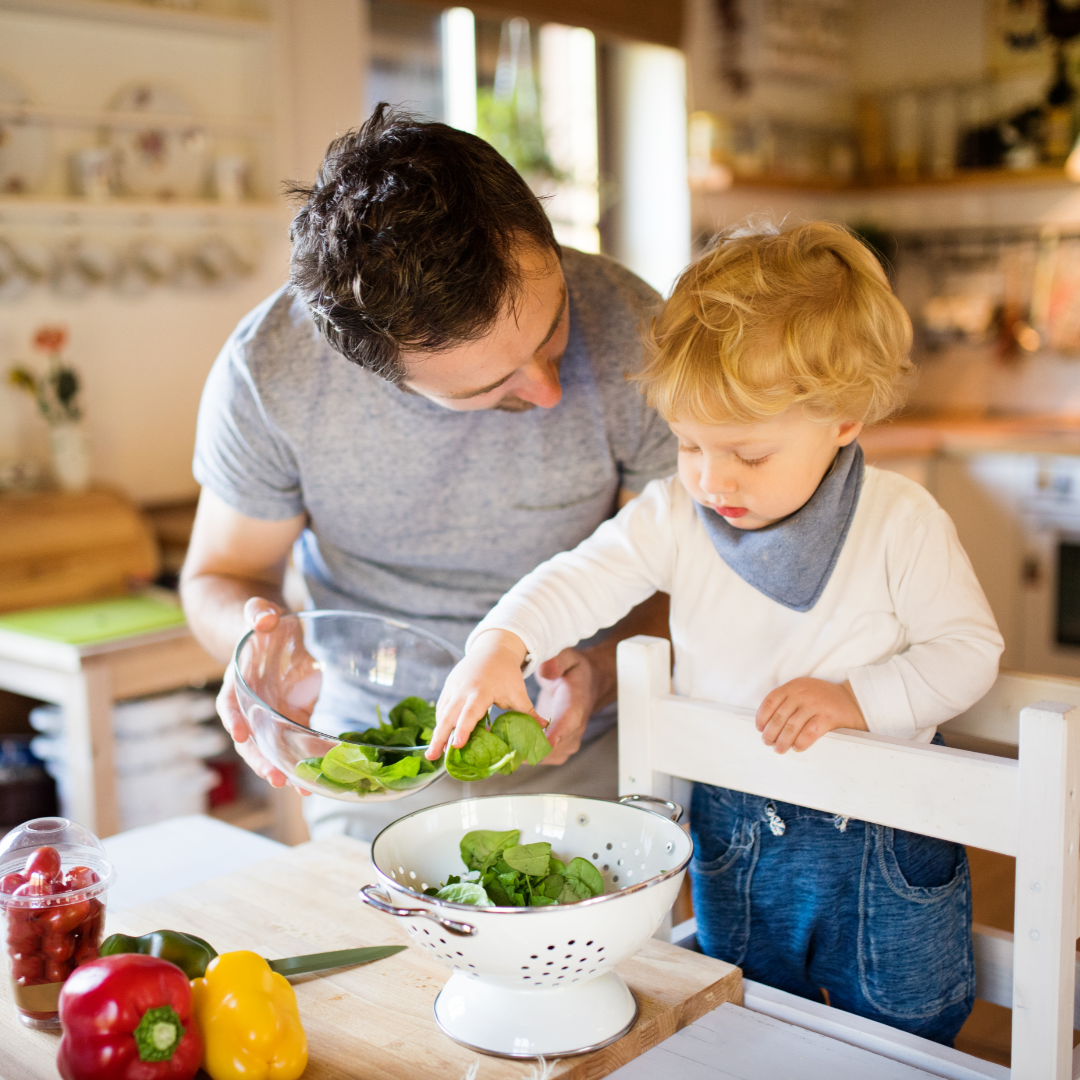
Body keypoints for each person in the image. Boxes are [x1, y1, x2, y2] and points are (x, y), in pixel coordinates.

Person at [429, 220, 1004, 1044]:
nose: (711, 477)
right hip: (737, 832)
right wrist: (503, 642)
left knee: (905, 1032)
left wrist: (858, 698)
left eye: (747, 453)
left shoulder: (900, 522)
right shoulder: (676, 514)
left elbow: (969, 652)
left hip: (882, 840)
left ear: (842, 418)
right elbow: (581, 576)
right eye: (690, 442)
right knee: (748, 1020)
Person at [179, 105, 676, 840]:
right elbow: (221, 573)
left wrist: (601, 672)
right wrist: (257, 645)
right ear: (377, 372)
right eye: (489, 388)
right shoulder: (271, 370)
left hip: (593, 747)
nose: (548, 391)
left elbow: (685, 569)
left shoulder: (637, 328)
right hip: (372, 758)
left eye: (553, 328)